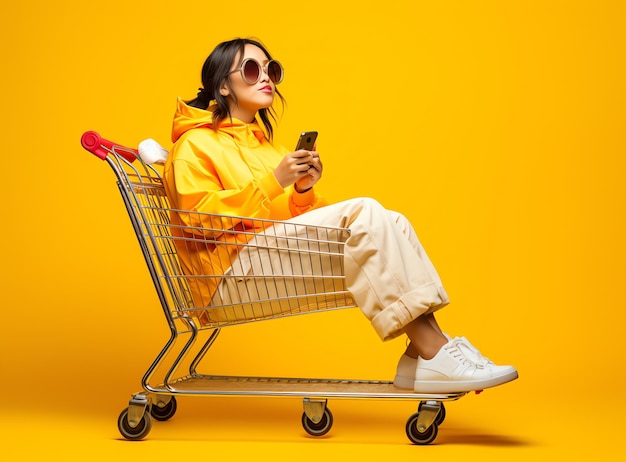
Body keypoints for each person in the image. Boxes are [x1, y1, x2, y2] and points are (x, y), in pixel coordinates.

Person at [162, 37, 518, 394]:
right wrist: (275, 182)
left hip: (261, 266)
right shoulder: (194, 145)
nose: (265, 78)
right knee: (363, 211)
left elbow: (278, 219)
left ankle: (421, 352)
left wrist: (301, 192)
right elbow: (195, 220)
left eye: (272, 70)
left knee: (393, 222)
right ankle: (435, 351)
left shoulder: (267, 147)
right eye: (252, 70)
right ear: (223, 84)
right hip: (226, 279)